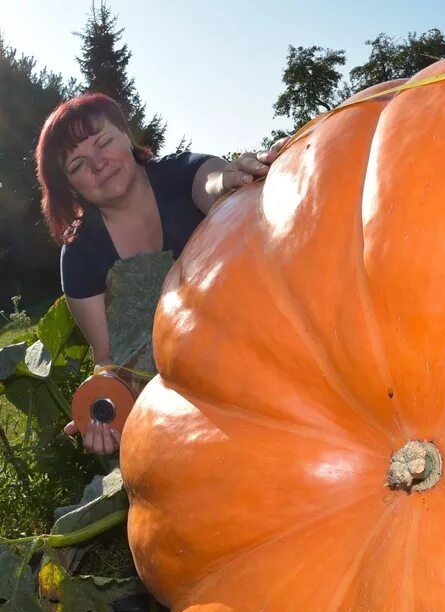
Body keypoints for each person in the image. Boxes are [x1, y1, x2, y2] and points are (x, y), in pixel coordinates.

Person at [35, 92, 282, 454]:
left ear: (126, 136)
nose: (98, 163)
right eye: (78, 166)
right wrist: (105, 403)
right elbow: (107, 357)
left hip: (263, 347)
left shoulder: (181, 174)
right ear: (72, 187)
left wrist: (230, 182)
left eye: (103, 142)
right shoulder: (79, 254)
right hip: (181, 403)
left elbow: (211, 183)